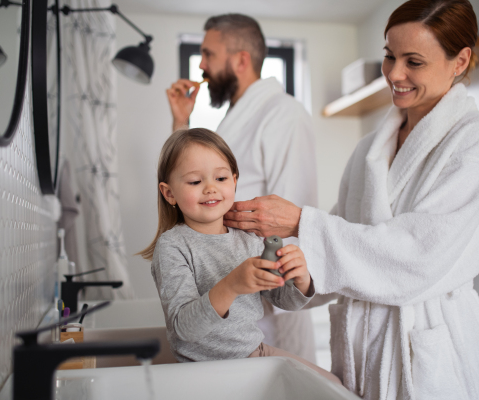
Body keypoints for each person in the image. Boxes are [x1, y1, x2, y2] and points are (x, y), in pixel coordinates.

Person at [224, 1, 479, 399]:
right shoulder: (368, 151)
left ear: (460, 61)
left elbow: (419, 255)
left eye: (414, 61)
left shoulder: (476, 141)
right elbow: (342, 253)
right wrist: (302, 273)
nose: (395, 74)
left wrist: (300, 223)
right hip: (360, 349)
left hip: (428, 352)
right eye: (389, 56)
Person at [166, 13, 319, 363]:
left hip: (269, 306)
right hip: (226, 309)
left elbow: (291, 216)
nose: (201, 64)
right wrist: (180, 122)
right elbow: (187, 175)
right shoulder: (236, 118)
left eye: (209, 54)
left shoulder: (284, 114)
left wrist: (282, 284)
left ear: (241, 60)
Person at [138, 128, 341, 385]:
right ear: (169, 194)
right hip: (198, 372)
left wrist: (300, 279)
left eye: (220, 178)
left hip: (253, 354)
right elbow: (184, 329)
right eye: (195, 182)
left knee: (333, 387)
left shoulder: (247, 239)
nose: (211, 188)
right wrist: (232, 285)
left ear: (234, 181)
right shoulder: (172, 246)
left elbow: (283, 300)